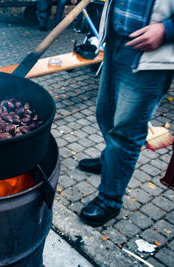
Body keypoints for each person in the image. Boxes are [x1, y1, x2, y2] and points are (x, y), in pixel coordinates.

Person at [72, 0, 174, 226]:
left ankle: (110, 199)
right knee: (105, 114)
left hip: (151, 52)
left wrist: (167, 29)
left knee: (126, 132)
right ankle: (111, 161)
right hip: (116, 40)